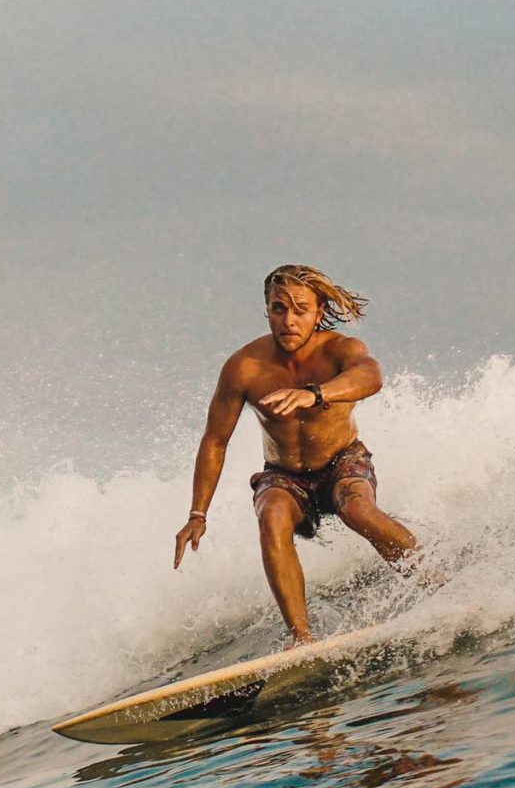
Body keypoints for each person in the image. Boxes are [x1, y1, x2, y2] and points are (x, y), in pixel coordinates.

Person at [172, 265, 424, 643]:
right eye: (278, 309)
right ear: (267, 309)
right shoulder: (244, 367)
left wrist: (315, 393)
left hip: (343, 463)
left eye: (300, 310)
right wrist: (197, 513)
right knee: (271, 515)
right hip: (285, 475)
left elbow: (371, 376)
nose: (289, 321)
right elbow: (215, 441)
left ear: (319, 312)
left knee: (356, 507)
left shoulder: (340, 350)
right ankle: (301, 639)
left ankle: (432, 581)